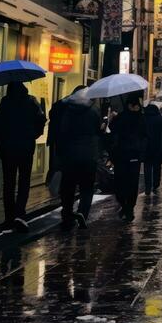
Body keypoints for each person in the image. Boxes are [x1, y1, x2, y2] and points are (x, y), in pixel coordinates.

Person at [0, 82, 46, 232]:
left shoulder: (5, 103)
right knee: (24, 181)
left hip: (8, 148)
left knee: (8, 183)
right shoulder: (31, 102)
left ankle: (9, 217)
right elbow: (41, 121)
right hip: (25, 148)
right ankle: (20, 214)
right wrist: (33, 135)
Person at [58, 89, 101, 230]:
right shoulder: (93, 111)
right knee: (87, 187)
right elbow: (97, 131)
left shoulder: (68, 111)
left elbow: (62, 132)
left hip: (70, 155)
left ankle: (67, 215)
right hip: (89, 155)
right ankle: (83, 212)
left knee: (68, 187)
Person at [109, 94, 147, 221]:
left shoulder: (120, 117)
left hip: (122, 154)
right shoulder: (141, 118)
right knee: (132, 182)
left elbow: (112, 130)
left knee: (121, 181)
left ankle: (126, 206)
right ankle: (129, 208)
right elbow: (145, 135)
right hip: (134, 154)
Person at [143, 103, 162, 195]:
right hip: (158, 147)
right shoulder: (161, 119)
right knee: (157, 166)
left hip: (146, 147)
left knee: (147, 167)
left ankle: (147, 187)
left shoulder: (143, 119)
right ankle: (156, 184)